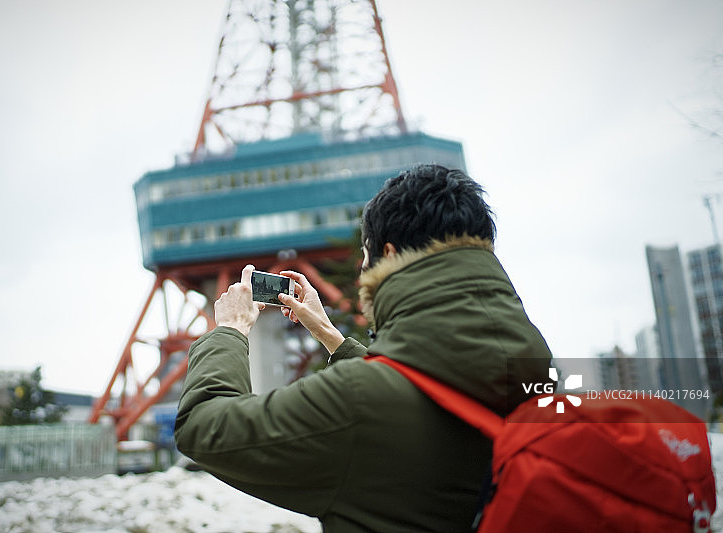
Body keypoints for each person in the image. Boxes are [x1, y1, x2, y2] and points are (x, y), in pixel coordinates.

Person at [175, 164, 552, 532]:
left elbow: (202, 426)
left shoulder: (356, 402)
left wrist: (231, 328)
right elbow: (420, 395)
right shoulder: (539, 372)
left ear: (387, 254)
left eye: (365, 256)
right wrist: (328, 333)